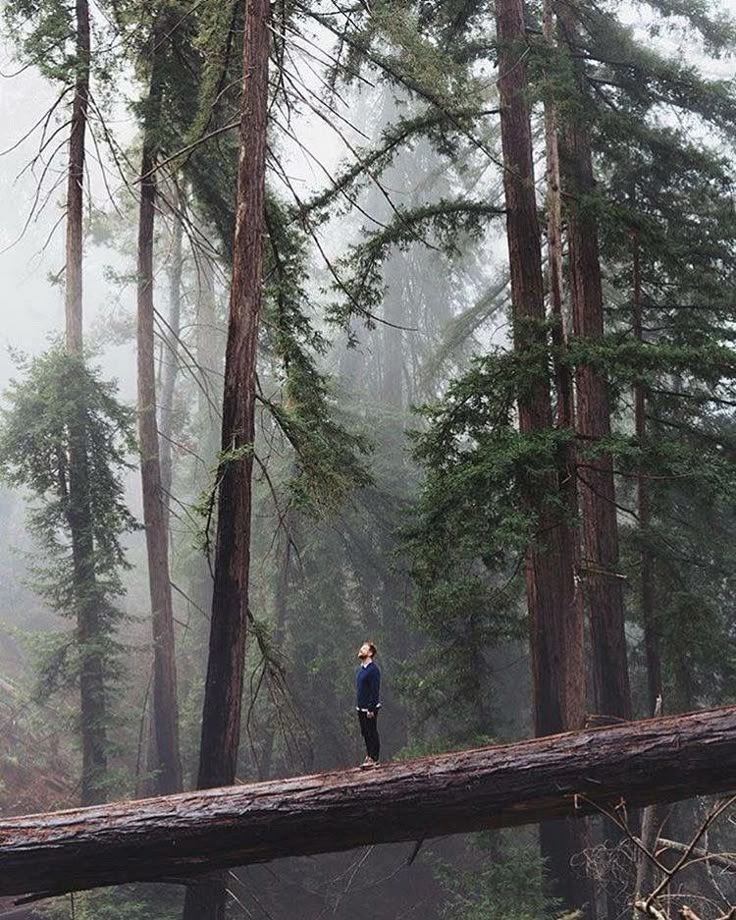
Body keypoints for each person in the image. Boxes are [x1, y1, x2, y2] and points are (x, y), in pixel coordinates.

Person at [356, 640, 381, 767]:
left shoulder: (373, 670)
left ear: (370, 653)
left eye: (364, 649)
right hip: (361, 708)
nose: (361, 650)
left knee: (371, 731)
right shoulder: (361, 670)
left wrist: (371, 708)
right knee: (365, 732)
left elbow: (374, 690)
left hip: (370, 708)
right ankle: (369, 754)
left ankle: (374, 757)